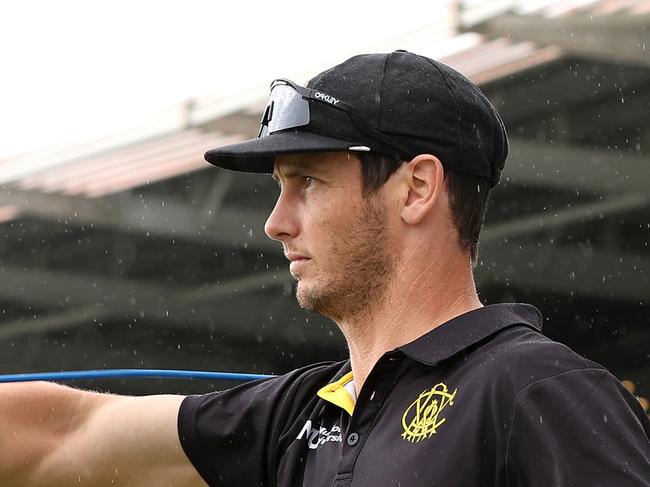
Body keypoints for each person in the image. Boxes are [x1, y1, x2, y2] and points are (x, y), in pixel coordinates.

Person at [1, 51, 648, 487]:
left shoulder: (537, 390)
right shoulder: (303, 415)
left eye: (307, 181)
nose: (276, 222)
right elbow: (66, 434)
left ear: (417, 188)